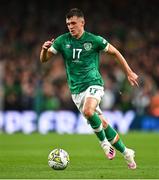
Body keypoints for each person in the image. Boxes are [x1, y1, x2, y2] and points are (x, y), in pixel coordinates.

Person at [40, 8, 139, 169]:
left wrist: (129, 72)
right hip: (76, 91)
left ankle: (105, 145)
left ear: (82, 22)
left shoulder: (94, 40)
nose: (70, 27)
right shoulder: (61, 41)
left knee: (88, 111)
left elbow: (115, 53)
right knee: (102, 123)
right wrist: (44, 49)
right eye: (68, 24)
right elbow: (44, 60)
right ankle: (127, 152)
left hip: (94, 84)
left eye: (73, 23)